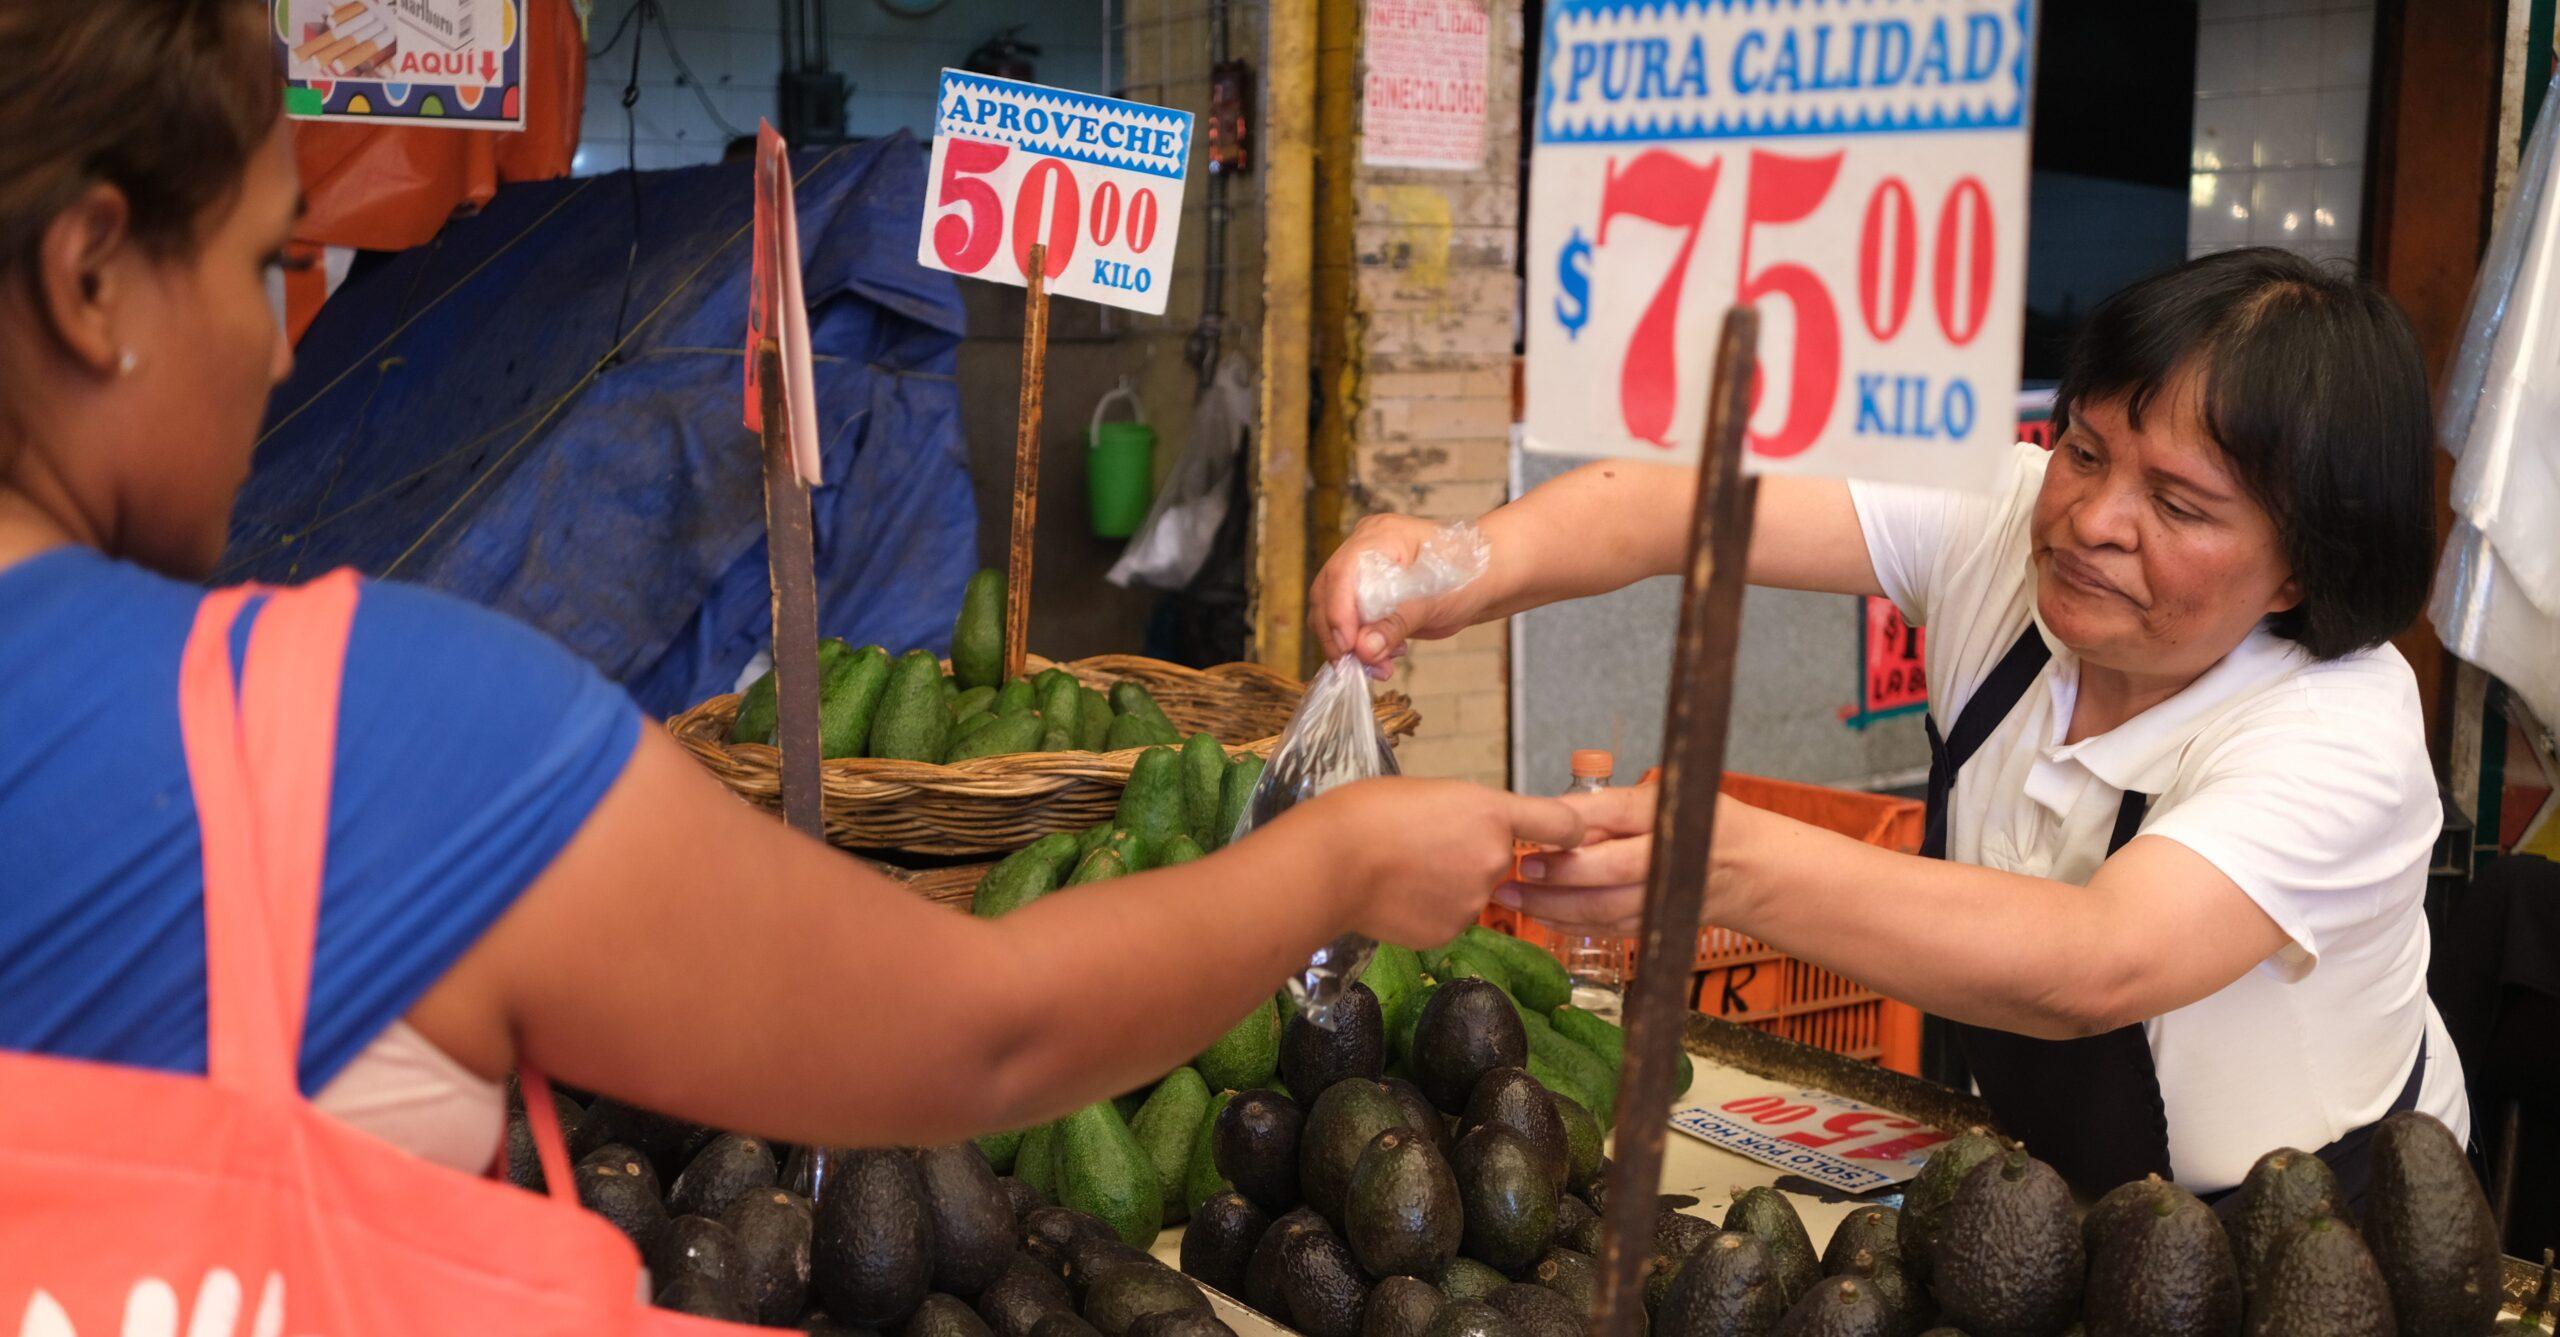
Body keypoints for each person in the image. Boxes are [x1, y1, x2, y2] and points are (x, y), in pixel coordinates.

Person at [0, 0, 1578, 1177]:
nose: (288, 348)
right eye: (270, 262)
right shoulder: (366, 730)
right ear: (88, 279)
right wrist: (1335, 861)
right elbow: (979, 1029)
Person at [1313, 248, 2466, 1204]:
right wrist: (1458, 560)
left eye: (2176, 504)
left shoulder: (2341, 727)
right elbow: (1681, 503)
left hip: (2319, 1231)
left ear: (2297, 570)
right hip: (2047, 1199)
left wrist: (1733, 863)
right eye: (2086, 448)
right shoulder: (2006, 520)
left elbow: (2095, 960)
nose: (2092, 519)